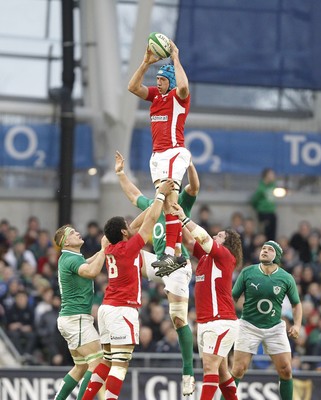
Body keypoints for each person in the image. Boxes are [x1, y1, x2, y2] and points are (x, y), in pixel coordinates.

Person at [81, 179, 175, 400]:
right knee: (120, 365)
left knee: (106, 361)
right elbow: (150, 221)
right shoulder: (129, 248)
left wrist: (152, 202)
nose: (130, 227)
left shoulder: (109, 245)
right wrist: (160, 196)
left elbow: (135, 225)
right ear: (124, 232)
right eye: (127, 225)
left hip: (106, 308)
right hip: (123, 309)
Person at [114, 150, 198, 395]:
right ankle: (123, 302)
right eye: (160, 183)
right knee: (125, 254)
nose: (161, 185)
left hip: (177, 264)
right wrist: (120, 173)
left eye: (164, 181)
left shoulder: (180, 203)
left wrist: (190, 164)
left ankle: (188, 372)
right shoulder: (154, 206)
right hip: (159, 263)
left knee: (178, 317)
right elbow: (133, 195)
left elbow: (194, 187)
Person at [128, 38, 191, 272]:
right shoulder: (155, 96)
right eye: (158, 80)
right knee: (167, 206)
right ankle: (173, 254)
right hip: (157, 157)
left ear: (171, 81)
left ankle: (170, 253)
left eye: (163, 80)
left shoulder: (179, 96)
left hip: (175, 152)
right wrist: (145, 63)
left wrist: (175, 58)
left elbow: (184, 87)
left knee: (171, 201)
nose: (159, 83)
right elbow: (133, 87)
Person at [172, 202, 242, 400]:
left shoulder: (225, 256)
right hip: (206, 322)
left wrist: (185, 218)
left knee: (210, 367)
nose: (214, 236)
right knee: (222, 373)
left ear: (226, 244)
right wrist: (177, 219)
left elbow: (202, 237)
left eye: (219, 236)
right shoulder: (205, 257)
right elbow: (188, 242)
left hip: (221, 320)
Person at [231, 240, 302, 400]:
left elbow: (296, 304)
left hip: (274, 327)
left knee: (286, 370)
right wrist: (228, 319)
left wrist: (297, 325)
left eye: (270, 249)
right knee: (238, 370)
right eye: (263, 248)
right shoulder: (248, 272)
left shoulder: (286, 278)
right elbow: (232, 298)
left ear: (277, 256)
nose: (264, 251)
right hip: (248, 325)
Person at [53, 225, 110, 400]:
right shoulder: (71, 259)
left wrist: (102, 252)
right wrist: (103, 250)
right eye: (72, 233)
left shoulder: (71, 257)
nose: (77, 233)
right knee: (98, 364)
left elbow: (88, 262)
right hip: (76, 319)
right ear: (66, 242)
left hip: (71, 319)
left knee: (81, 367)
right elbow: (92, 271)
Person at [250, 168, 277, 240]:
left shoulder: (273, 185)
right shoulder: (261, 188)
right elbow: (254, 200)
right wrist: (259, 208)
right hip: (264, 213)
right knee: (264, 234)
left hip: (272, 212)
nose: (273, 176)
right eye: (271, 174)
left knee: (272, 235)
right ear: (266, 175)